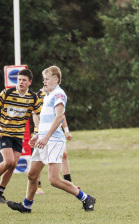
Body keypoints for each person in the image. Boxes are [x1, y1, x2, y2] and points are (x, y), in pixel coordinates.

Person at [7, 66, 96, 213]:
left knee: (54, 180)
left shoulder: (59, 94)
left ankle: (86, 198)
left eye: (47, 79)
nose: (44, 81)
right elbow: (46, 120)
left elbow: (59, 117)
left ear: (56, 79)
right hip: (44, 139)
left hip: (54, 141)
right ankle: (26, 206)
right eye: (43, 79)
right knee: (32, 175)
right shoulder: (47, 95)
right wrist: (38, 136)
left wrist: (46, 137)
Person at [0, 69, 41, 204]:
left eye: (24, 80)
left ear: (30, 82)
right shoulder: (8, 92)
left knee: (13, 165)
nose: (21, 82)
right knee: (9, 161)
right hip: (5, 133)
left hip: (18, 135)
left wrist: (38, 132)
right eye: (19, 79)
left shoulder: (33, 97)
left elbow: (38, 114)